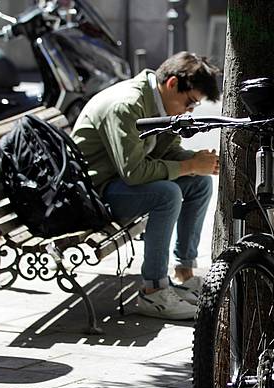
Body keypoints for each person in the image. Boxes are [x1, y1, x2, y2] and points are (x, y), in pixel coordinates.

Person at [71, 52, 220, 320]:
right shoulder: (126, 105)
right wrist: (189, 165)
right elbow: (135, 172)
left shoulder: (160, 102)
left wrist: (199, 162)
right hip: (94, 194)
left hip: (118, 182)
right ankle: (154, 291)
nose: (189, 110)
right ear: (172, 83)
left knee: (200, 183)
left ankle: (184, 273)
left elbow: (168, 151)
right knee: (167, 194)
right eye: (189, 103)